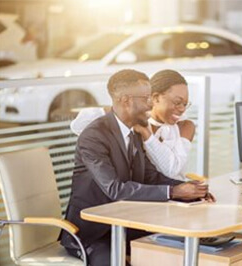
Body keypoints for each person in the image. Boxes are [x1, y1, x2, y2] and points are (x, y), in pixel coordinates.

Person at [60, 69, 211, 266]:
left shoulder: (133, 132)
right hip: (92, 233)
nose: (151, 104)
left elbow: (151, 176)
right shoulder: (94, 136)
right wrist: (173, 191)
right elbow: (116, 189)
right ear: (126, 101)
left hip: (125, 224)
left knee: (174, 250)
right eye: (147, 98)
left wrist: (190, 189)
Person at [70, 69, 195, 181]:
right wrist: (121, 107)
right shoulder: (134, 121)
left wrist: (148, 136)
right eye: (177, 102)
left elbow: (172, 170)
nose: (182, 109)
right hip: (142, 195)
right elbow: (78, 126)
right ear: (155, 98)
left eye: (185, 104)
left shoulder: (185, 126)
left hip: (176, 194)